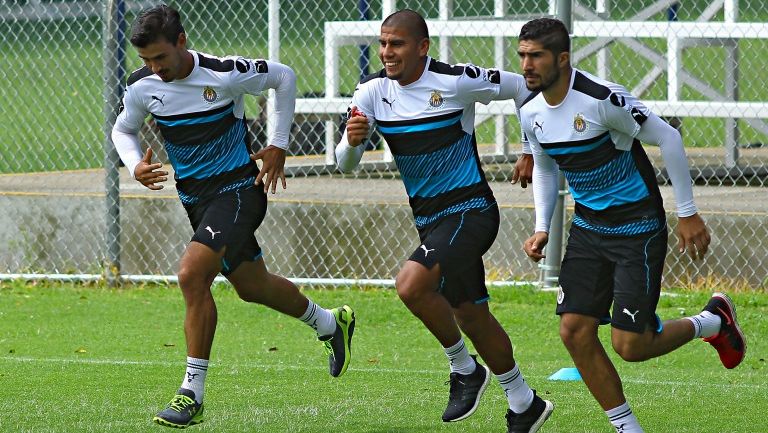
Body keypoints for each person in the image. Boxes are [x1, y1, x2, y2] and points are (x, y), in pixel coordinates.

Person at [111, 5, 355, 429]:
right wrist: (134, 165)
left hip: (241, 190)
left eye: (160, 58)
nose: (154, 68)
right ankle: (331, 324)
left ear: (181, 41)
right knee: (251, 286)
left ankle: (191, 393)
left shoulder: (224, 72)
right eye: (146, 60)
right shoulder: (142, 87)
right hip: (197, 200)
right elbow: (123, 129)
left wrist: (278, 143)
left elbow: (283, 76)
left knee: (191, 274)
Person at [517, 18, 746, 433]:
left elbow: (669, 139)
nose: (527, 65)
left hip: (637, 228)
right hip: (588, 229)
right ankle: (627, 428)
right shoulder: (530, 111)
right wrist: (542, 226)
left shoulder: (601, 99)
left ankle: (712, 321)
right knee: (574, 331)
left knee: (631, 345)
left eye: (536, 56)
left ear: (562, 59)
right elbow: (547, 168)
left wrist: (688, 212)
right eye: (522, 56)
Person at [335, 9, 553, 432]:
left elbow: (520, 88)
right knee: (471, 314)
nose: (386, 53)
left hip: (471, 210)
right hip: (431, 222)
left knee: (411, 284)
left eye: (396, 44)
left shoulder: (456, 81)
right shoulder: (371, 93)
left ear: (422, 47)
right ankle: (523, 401)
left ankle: (464, 368)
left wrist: (530, 146)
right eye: (382, 44)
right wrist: (350, 141)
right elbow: (345, 163)